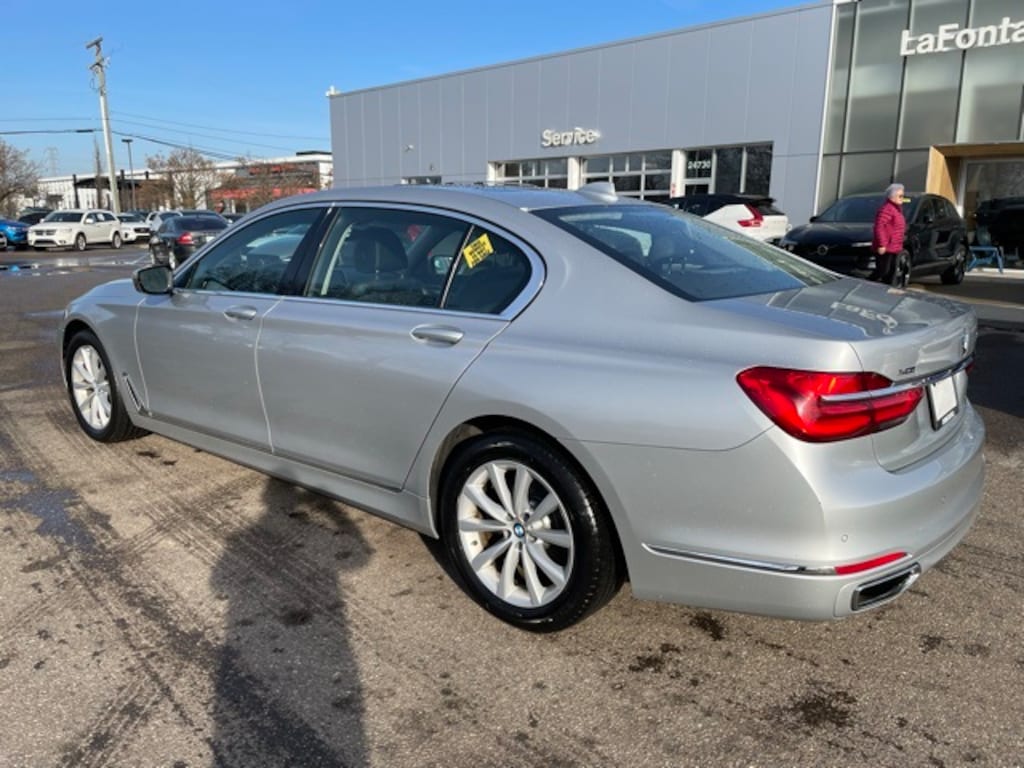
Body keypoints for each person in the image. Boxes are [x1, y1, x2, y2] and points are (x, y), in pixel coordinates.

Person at [870, 182, 906, 284]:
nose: (902, 198)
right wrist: (882, 244)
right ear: (892, 196)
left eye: (903, 196)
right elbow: (879, 227)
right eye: (900, 196)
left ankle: (886, 294)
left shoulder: (897, 210)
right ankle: (866, 287)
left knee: (891, 273)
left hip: (894, 248)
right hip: (886, 248)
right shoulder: (887, 209)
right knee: (882, 272)